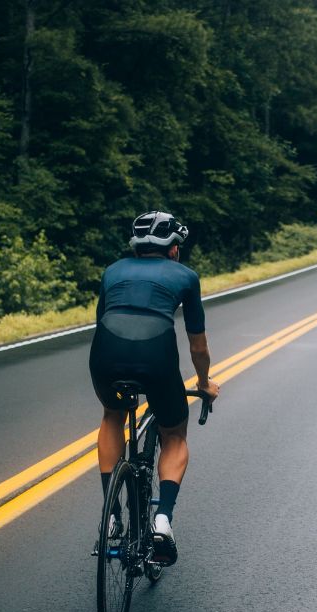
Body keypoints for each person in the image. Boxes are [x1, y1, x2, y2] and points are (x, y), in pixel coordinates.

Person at [89, 210, 220, 565]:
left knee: (112, 414)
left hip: (105, 355)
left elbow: (103, 318)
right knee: (174, 433)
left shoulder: (112, 271)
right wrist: (204, 383)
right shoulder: (186, 277)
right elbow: (198, 346)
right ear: (174, 249)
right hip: (156, 359)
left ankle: (112, 515)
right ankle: (162, 520)